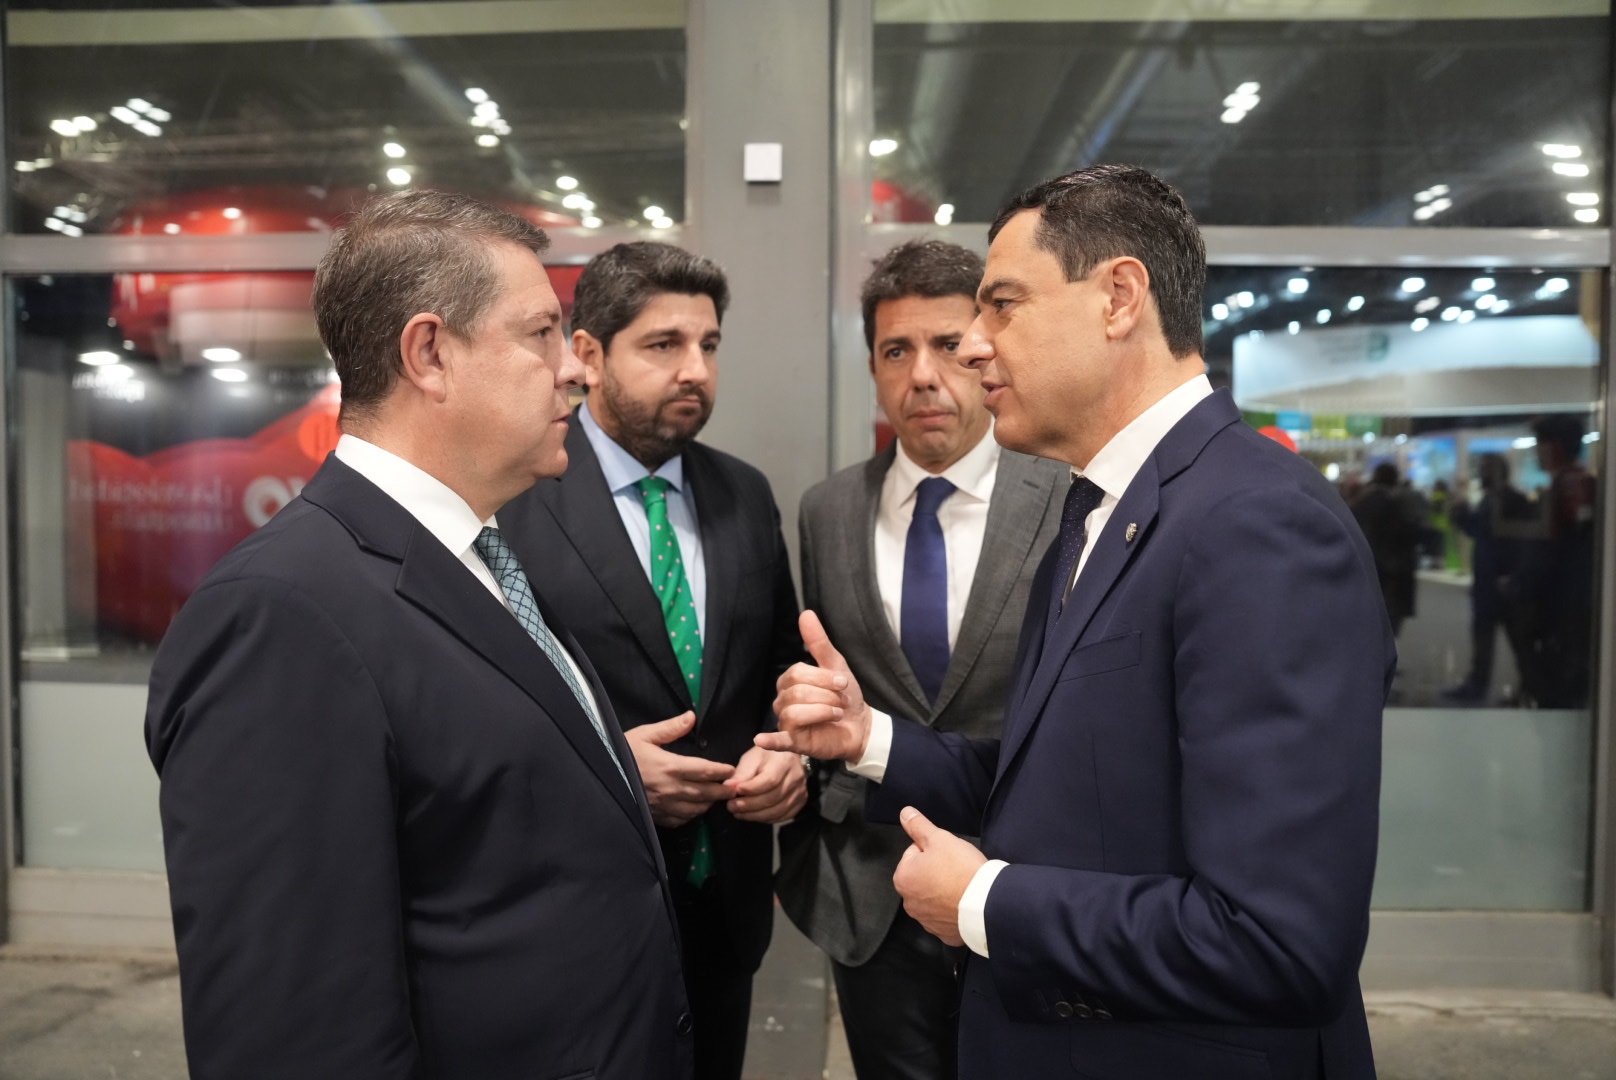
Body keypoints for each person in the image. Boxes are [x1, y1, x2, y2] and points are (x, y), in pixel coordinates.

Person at [764, 164, 1391, 1079]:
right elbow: (1051, 785)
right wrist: (868, 738)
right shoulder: (1096, 510)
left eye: (1003, 305)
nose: (976, 346)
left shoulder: (1258, 525)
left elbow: (1277, 942)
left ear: (1119, 298)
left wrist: (985, 902)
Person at [145, 191, 692, 1080]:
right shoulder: (281, 614)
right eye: (541, 334)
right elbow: (292, 1032)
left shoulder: (479, 554)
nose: (574, 371)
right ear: (430, 354)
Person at [498, 240, 804, 1080]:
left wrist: (789, 754)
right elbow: (487, 708)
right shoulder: (516, 498)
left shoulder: (744, 493)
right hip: (579, 906)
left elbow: (779, 668)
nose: (695, 370)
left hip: (726, 909)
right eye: (663, 345)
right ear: (588, 354)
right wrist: (611, 771)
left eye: (708, 345)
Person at [775, 239, 1065, 1080]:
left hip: (1020, 883)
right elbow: (820, 676)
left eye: (947, 345)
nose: (923, 376)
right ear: (873, 367)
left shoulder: (1065, 498)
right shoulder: (828, 510)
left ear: (986, 350)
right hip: (871, 891)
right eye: (896, 351)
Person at [1442, 453, 1531, 704]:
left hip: (1502, 580)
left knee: (1517, 639)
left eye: (1486, 469)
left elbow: (1517, 539)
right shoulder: (1492, 499)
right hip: (1489, 580)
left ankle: (1528, 686)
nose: (1481, 474)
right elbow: (1478, 530)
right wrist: (1460, 513)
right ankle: (1481, 683)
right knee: (1487, 636)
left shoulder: (1509, 500)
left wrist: (1514, 574)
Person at [1350, 462, 1423, 637]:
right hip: (1390, 566)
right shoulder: (1394, 503)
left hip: (1368, 563)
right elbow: (1402, 533)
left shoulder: (1362, 502)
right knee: (1388, 617)